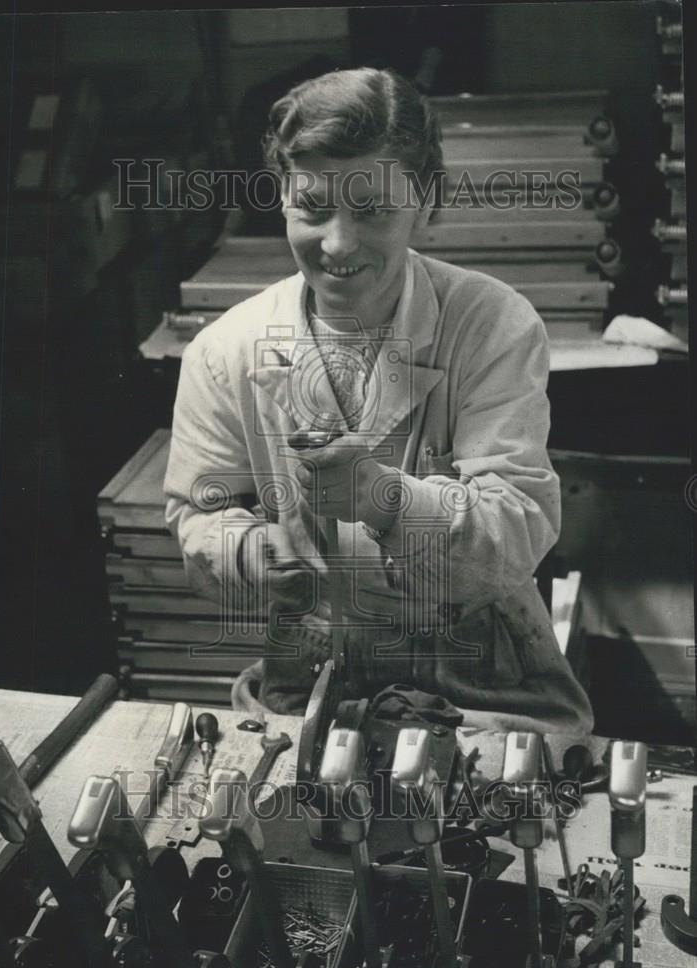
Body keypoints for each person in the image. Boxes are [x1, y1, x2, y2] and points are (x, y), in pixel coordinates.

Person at [164, 67, 594, 734]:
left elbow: (517, 533)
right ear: (280, 195)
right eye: (312, 208)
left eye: (371, 211)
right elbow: (196, 511)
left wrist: (384, 501)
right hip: (308, 677)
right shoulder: (227, 350)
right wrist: (248, 555)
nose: (337, 243)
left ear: (425, 202)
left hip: (483, 679)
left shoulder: (490, 324)